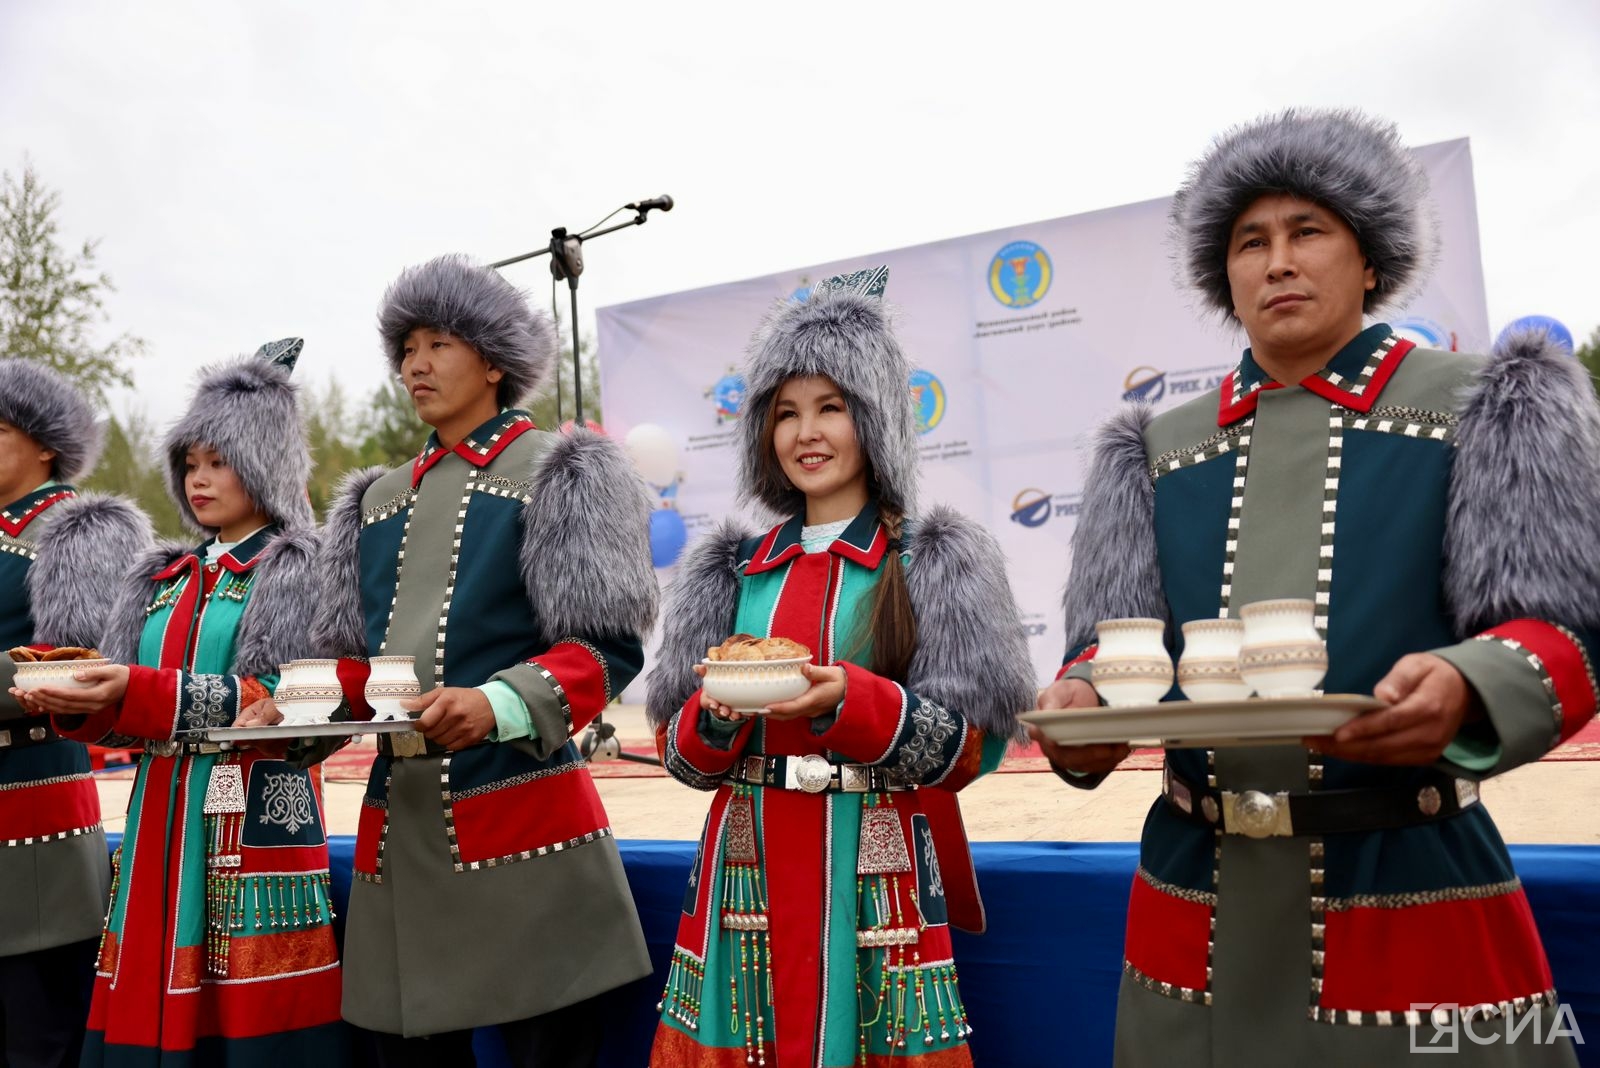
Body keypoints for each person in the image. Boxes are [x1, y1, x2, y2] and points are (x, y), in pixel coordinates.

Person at [1032, 108, 1600, 1066]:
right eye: (1251, 242)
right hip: (1192, 897)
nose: (1277, 261)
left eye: (1308, 231)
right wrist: (1086, 694)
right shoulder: (1150, 453)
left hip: (1406, 890)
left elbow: (1567, 634)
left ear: (1371, 258)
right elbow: (1108, 643)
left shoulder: (1489, 402)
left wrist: (1470, 686)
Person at [646, 268, 1036, 1068]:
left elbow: (974, 749)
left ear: (877, 417)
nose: (806, 432)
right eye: (785, 413)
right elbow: (679, 757)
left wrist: (853, 702)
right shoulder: (729, 570)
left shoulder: (934, 560)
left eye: (831, 406)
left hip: (874, 868)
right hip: (745, 873)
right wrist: (719, 712)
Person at [308, 255, 656, 1067]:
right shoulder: (374, 498)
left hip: (523, 819)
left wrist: (496, 703)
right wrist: (295, 701)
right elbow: (364, 670)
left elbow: (607, 648)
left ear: (493, 360)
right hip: (401, 831)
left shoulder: (563, 469)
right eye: (407, 348)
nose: (415, 365)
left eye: (438, 343)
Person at [19, 340, 346, 1065]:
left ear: (264, 462)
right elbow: (123, 689)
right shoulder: (163, 573)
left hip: (249, 806)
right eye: (190, 464)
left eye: (218, 462)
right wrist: (76, 698)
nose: (199, 481)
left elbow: (287, 697)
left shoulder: (295, 565)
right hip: (161, 804)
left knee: (244, 1010)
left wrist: (139, 692)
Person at [0, 359, 151, 1068]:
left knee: (39, 1035)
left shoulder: (76, 530)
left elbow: (80, 666)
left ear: (44, 445)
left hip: (36, 829)